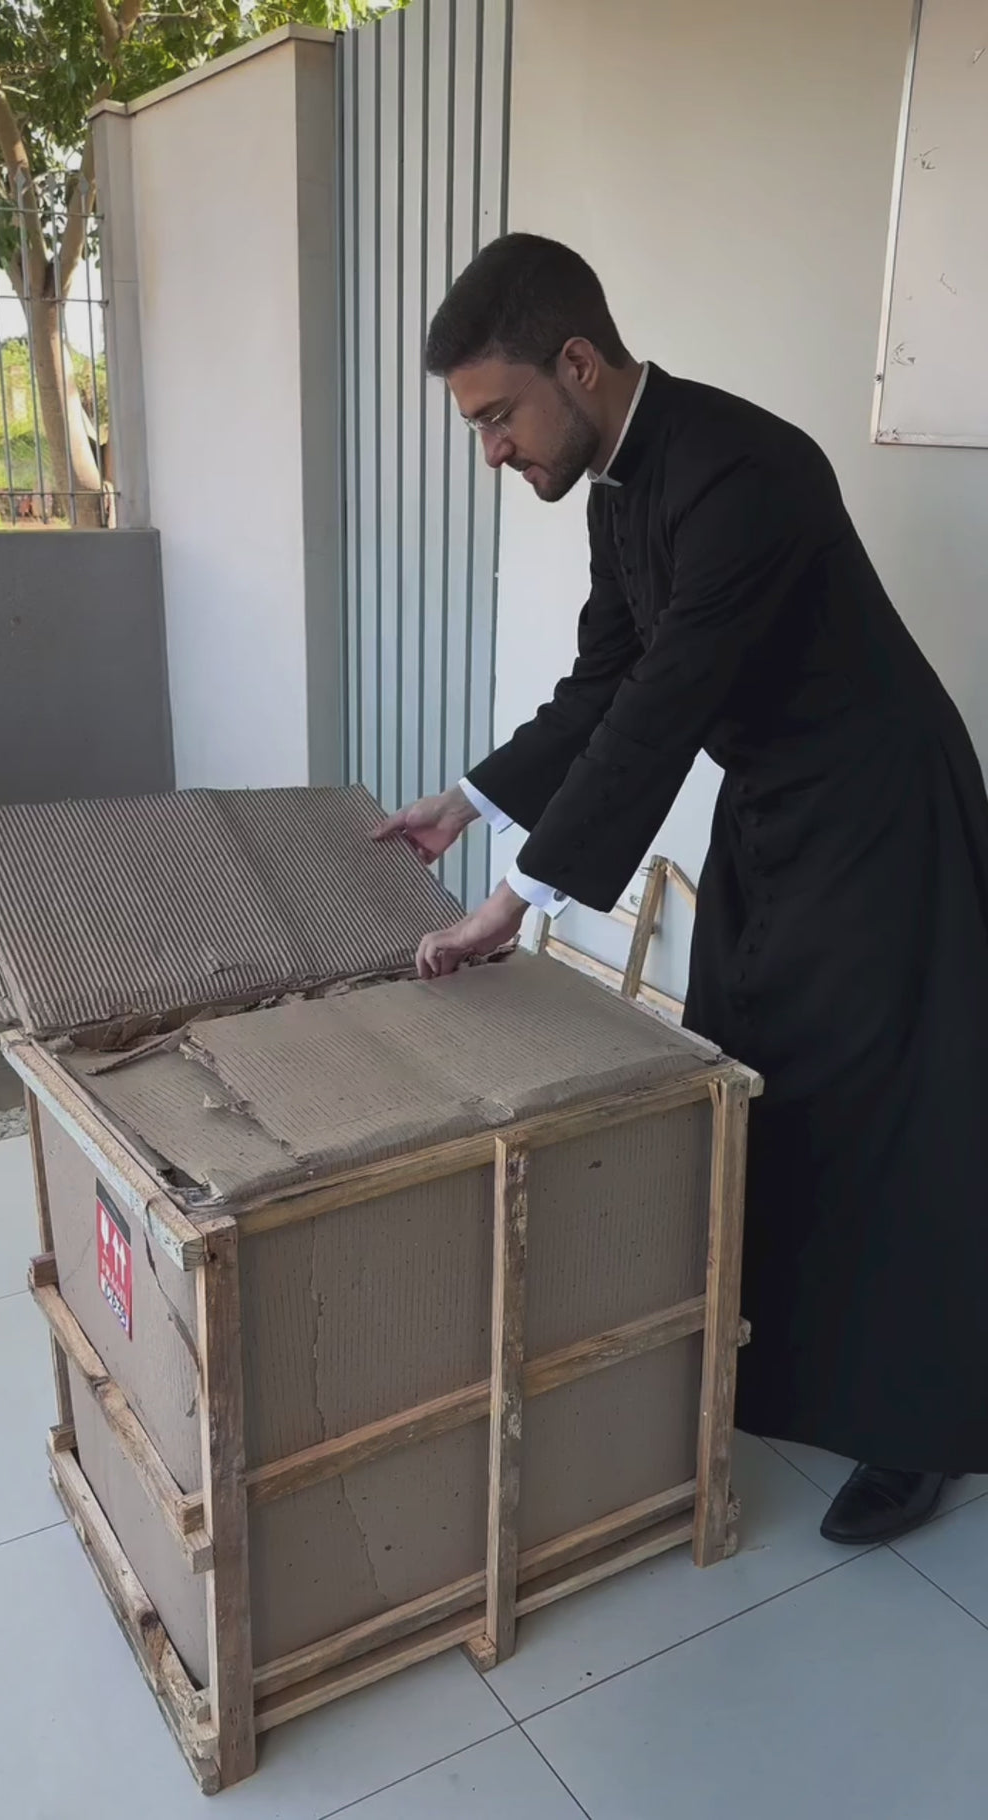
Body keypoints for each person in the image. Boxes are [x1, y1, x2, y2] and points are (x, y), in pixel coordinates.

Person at [375, 232, 988, 1544]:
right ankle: (768, 1362)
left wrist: (515, 901)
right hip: (778, 809)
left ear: (577, 364)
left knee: (890, 1118)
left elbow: (660, 712)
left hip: (882, 814)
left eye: (497, 416)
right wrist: (468, 802)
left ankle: (921, 1427)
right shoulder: (620, 487)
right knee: (750, 1071)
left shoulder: (745, 473)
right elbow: (604, 680)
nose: (492, 451)